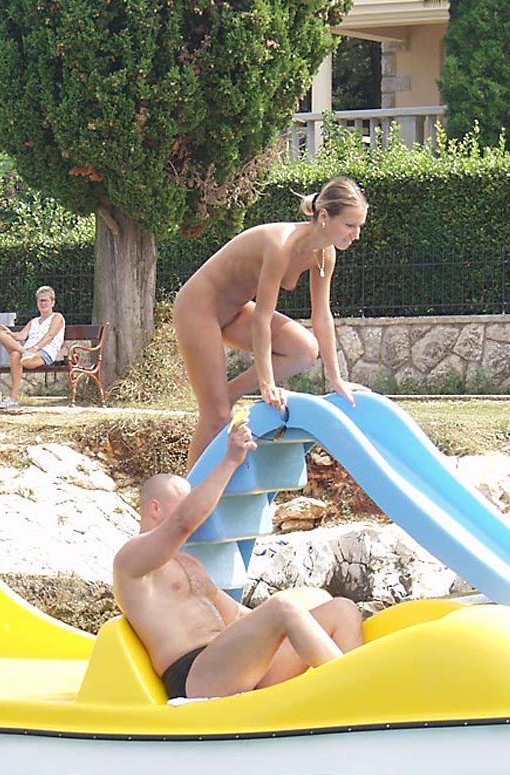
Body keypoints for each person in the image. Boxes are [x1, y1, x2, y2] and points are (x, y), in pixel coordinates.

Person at [112, 419, 362, 700]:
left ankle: (358, 702)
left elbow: (239, 616)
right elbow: (183, 522)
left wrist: (286, 629)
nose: (197, 510)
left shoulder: (189, 564)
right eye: (185, 502)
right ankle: (352, 694)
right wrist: (231, 460)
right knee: (282, 608)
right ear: (155, 508)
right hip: (196, 675)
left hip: (236, 663)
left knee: (342, 609)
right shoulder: (130, 560)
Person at [174, 176, 369, 470]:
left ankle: (228, 394)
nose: (356, 235)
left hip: (234, 310)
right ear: (324, 216)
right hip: (198, 308)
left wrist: (336, 379)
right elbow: (262, 319)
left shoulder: (324, 254)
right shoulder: (281, 245)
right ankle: (190, 494)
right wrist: (267, 384)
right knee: (216, 416)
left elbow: (322, 315)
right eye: (350, 225)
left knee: (304, 349)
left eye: (359, 226)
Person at [0, 285, 65, 409]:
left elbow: (50, 336)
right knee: (2, 336)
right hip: (27, 351)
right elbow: (21, 336)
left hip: (44, 352)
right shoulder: (34, 321)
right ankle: (13, 399)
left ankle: (13, 398)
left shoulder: (57, 317)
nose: (42, 303)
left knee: (16, 356)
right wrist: (10, 333)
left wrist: (35, 348)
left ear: (53, 302)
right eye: (40, 301)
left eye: (45, 300)